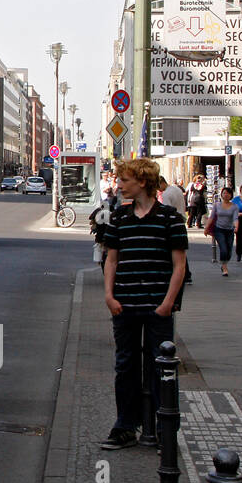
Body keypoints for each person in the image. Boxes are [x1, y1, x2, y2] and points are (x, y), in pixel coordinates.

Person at [98, 158, 188, 450]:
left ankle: (164, 429)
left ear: (143, 182)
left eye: (124, 180)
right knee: (125, 366)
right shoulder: (119, 218)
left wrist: (167, 304)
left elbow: (179, 266)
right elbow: (111, 260)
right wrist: (109, 296)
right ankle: (125, 425)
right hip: (124, 305)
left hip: (157, 306)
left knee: (161, 367)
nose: (119, 185)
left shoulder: (170, 219)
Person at [206, 186, 237, 277]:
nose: (226, 195)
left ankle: (225, 262)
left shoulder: (234, 206)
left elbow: (235, 218)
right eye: (224, 193)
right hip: (219, 229)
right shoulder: (217, 205)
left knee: (229, 251)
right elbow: (211, 217)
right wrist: (206, 227)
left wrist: (236, 226)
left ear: (231, 195)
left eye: (228, 193)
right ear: (221, 195)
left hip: (230, 230)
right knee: (223, 248)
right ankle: (224, 267)